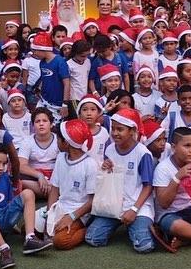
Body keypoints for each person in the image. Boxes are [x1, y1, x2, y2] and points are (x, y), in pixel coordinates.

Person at [84, 108, 155, 253]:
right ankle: (129, 226)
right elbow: (107, 175)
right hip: (113, 204)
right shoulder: (109, 149)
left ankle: (140, 226)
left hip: (137, 206)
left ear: (132, 131)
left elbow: (148, 187)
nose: (115, 133)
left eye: (120, 129)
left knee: (144, 245)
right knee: (93, 238)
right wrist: (105, 167)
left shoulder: (143, 153)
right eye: (113, 129)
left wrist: (134, 210)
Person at [45, 119, 97, 250]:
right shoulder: (61, 158)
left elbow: (92, 201)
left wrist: (71, 217)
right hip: (60, 207)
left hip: (80, 213)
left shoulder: (90, 164)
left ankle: (88, 230)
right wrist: (50, 214)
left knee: (61, 241)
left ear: (66, 143)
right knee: (31, 230)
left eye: (58, 139)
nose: (56, 142)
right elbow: (54, 189)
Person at [18, 109, 60, 198]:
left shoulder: (59, 140)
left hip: (55, 175)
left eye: (45, 121)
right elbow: (21, 166)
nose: (41, 124)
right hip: (34, 177)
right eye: (37, 121)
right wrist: (40, 176)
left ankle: (48, 193)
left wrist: (52, 179)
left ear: (51, 124)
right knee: (19, 180)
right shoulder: (27, 141)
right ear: (33, 125)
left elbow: (64, 164)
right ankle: (54, 194)